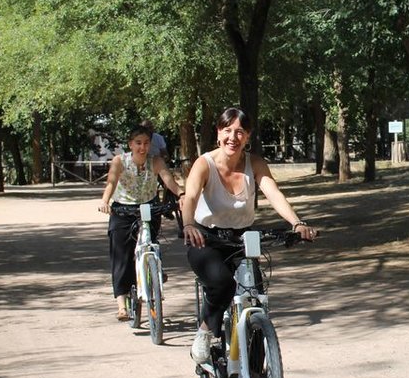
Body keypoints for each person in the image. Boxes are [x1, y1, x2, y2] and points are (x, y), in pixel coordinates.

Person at [180, 107, 318, 363]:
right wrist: (188, 225)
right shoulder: (205, 164)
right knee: (222, 283)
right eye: (228, 130)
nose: (233, 137)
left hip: (242, 239)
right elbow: (189, 197)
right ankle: (205, 331)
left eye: (240, 132)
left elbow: (273, 193)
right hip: (205, 238)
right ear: (219, 133)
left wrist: (297, 223)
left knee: (255, 298)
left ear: (247, 136)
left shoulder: (254, 163)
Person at [98, 125, 185, 320]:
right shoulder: (120, 161)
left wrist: (181, 193)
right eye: (138, 143)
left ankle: (155, 268)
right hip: (123, 209)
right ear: (130, 144)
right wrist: (105, 201)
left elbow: (168, 180)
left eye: (146, 143)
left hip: (149, 208)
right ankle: (121, 304)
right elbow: (111, 183)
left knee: (151, 242)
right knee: (121, 255)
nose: (142, 147)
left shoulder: (155, 161)